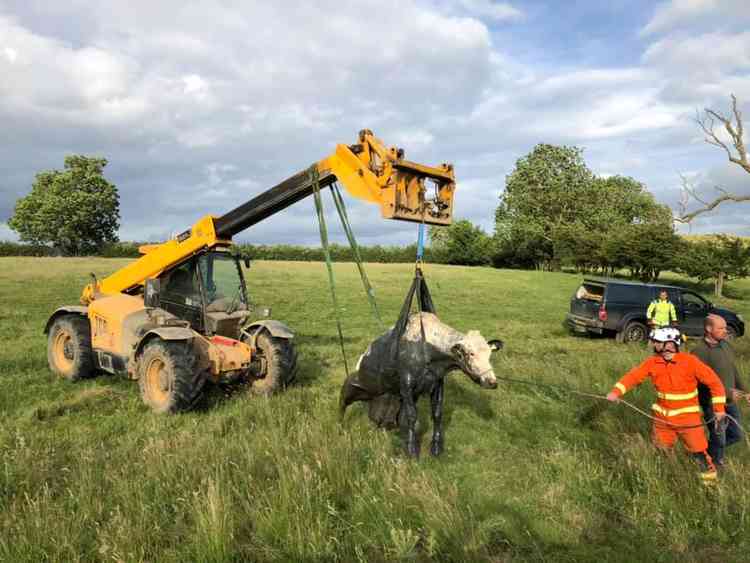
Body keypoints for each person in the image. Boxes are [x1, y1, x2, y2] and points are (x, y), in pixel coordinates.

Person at [606, 327, 726, 483]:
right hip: (662, 420)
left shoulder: (690, 362)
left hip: (688, 420)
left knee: (699, 454)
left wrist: (719, 410)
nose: (662, 348)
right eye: (658, 344)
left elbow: (715, 383)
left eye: (664, 344)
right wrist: (616, 392)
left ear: (674, 344)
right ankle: (666, 483)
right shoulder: (652, 363)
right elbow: (633, 377)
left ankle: (710, 489)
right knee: (661, 453)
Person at [693, 314, 748, 468]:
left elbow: (733, 370)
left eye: (725, 327)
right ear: (708, 329)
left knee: (736, 435)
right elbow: (701, 382)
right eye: (721, 328)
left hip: (730, 402)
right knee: (720, 438)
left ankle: (703, 454)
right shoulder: (699, 352)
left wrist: (745, 391)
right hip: (712, 403)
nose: (725, 331)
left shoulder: (726, 345)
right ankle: (715, 465)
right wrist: (728, 393)